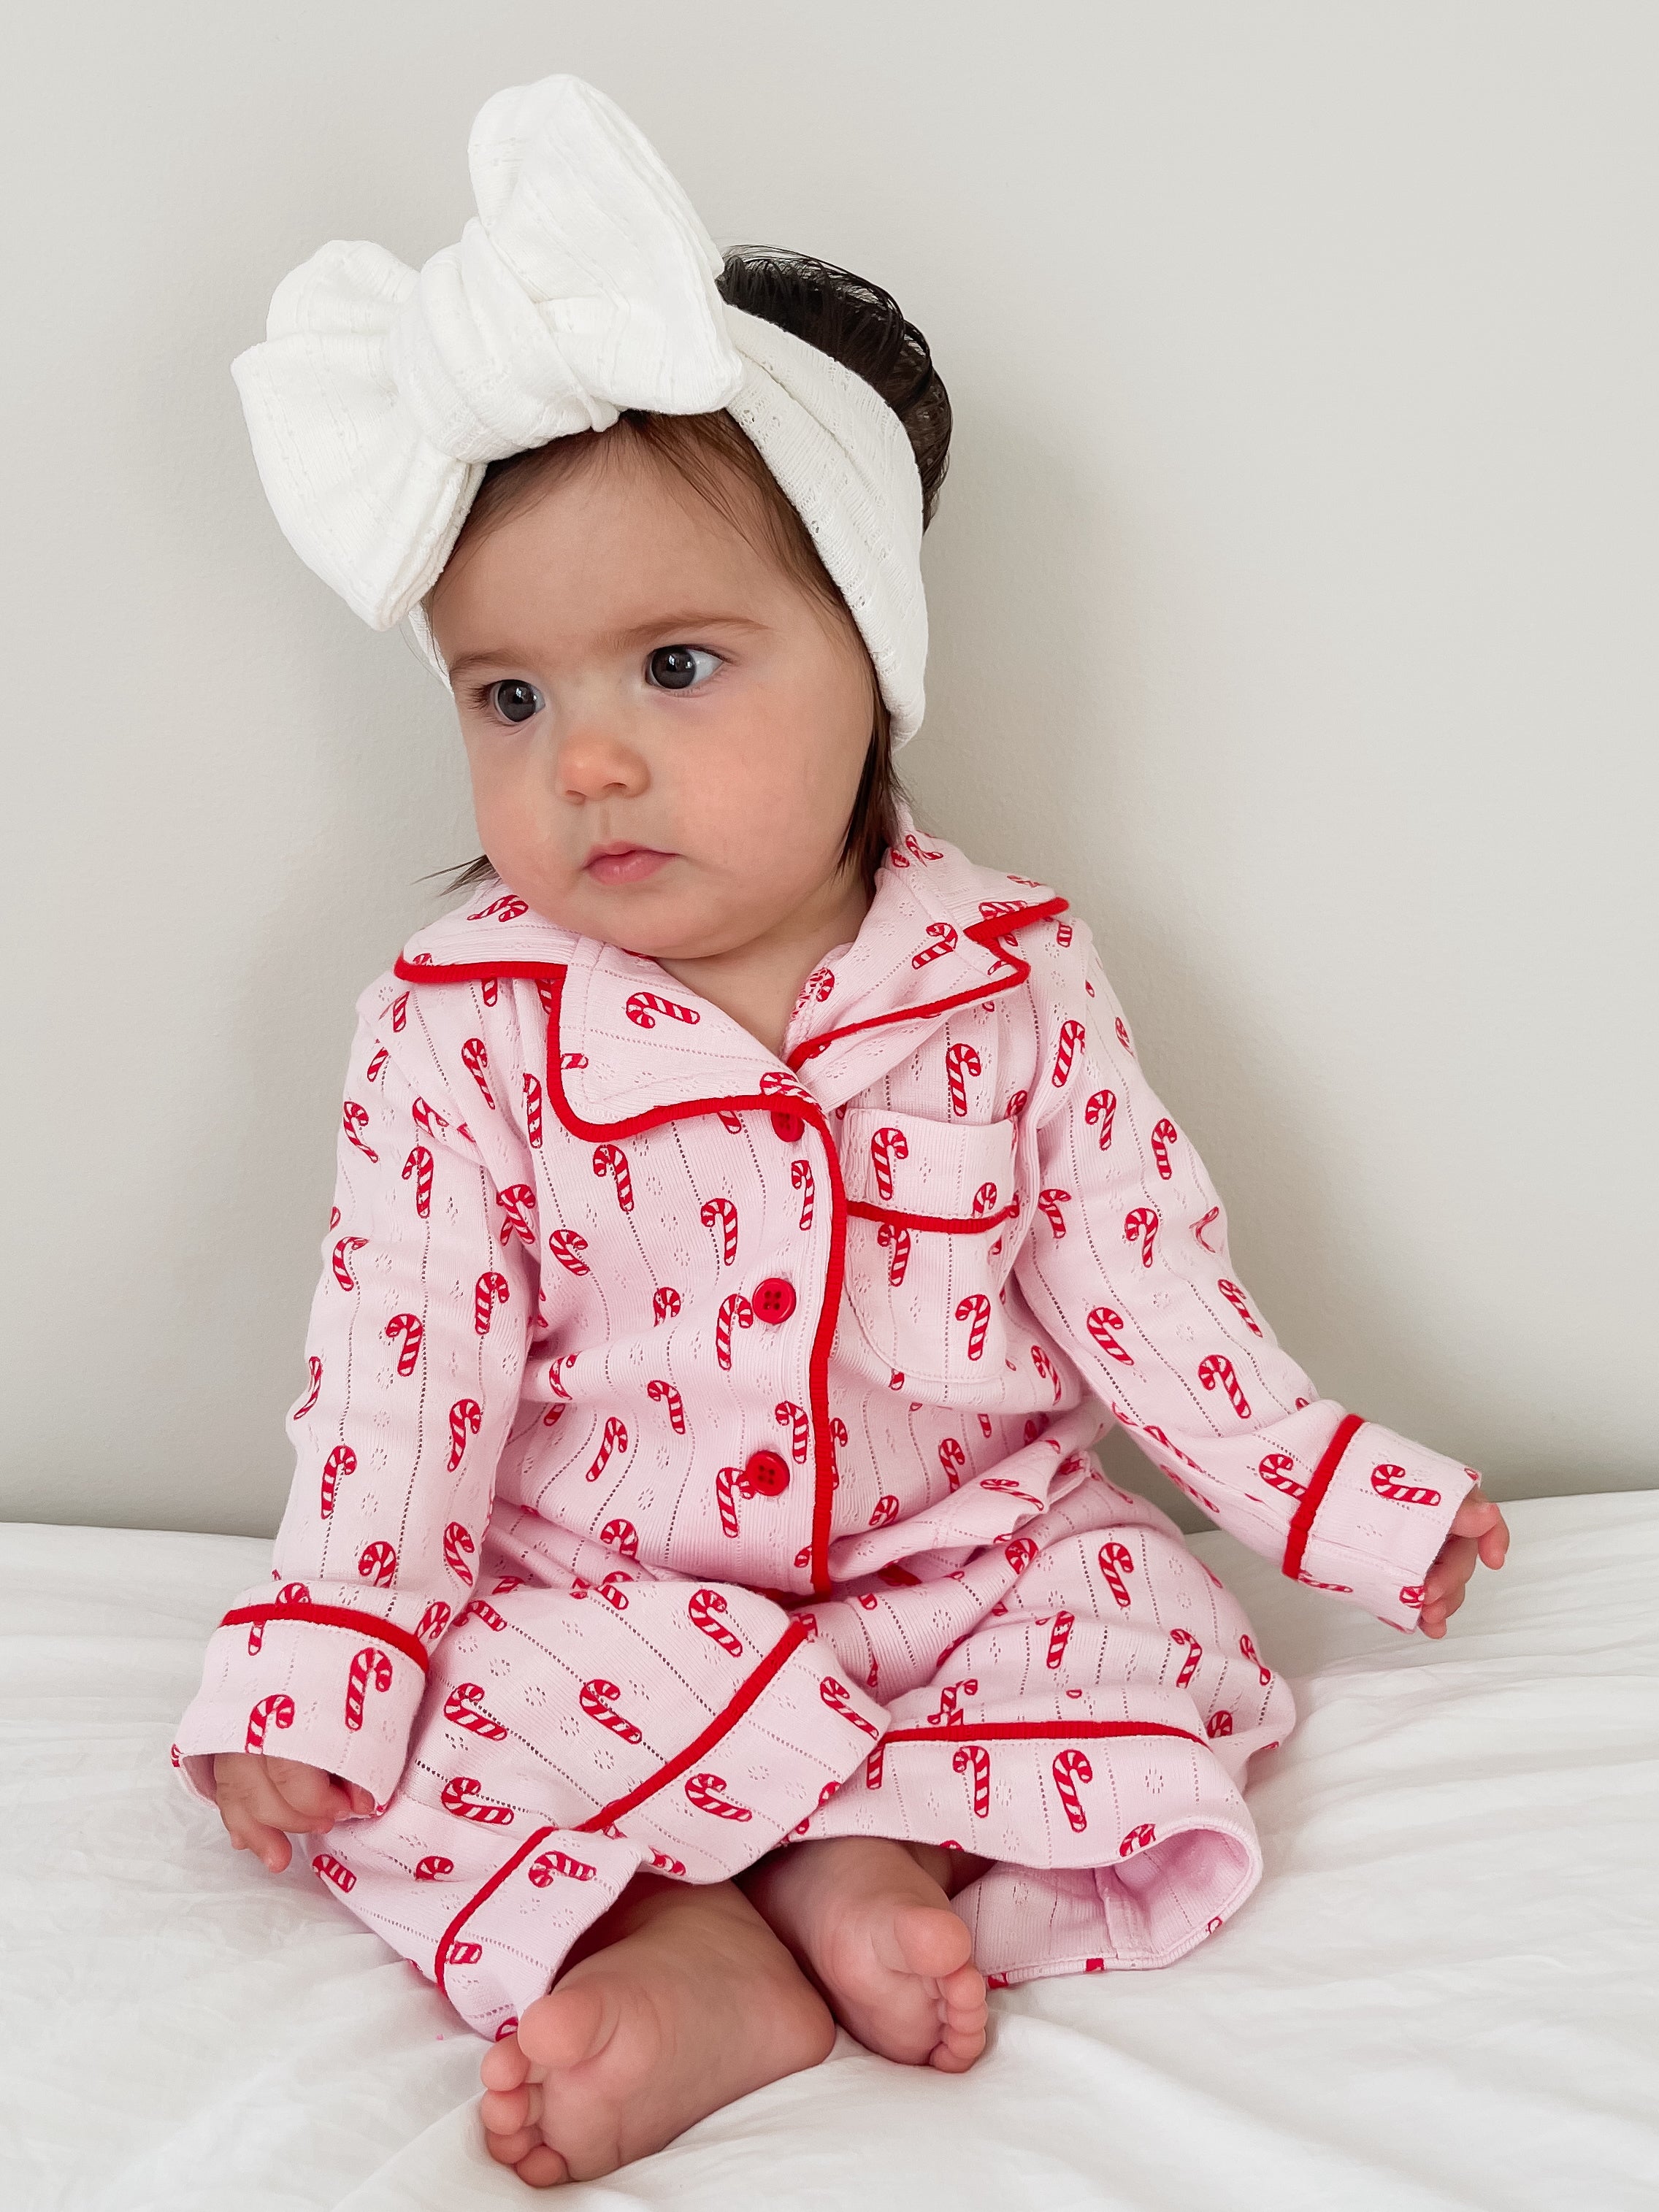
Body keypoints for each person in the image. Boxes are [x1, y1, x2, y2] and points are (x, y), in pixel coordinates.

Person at [174, 74, 1510, 2188]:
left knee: (1136, 1648)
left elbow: (1143, 1290)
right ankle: (706, 1941)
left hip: (956, 1573)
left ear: (869, 670)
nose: (586, 760)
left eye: (675, 666)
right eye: (507, 698)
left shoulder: (1005, 974)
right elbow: (400, 1373)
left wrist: (1338, 1498)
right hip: (600, 1592)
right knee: (422, 1745)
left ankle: (862, 1852)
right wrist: (330, 1651)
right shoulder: (459, 1024)